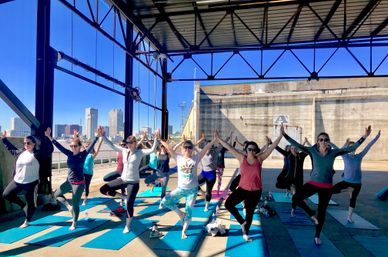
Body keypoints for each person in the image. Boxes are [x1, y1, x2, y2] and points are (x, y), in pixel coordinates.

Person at [283, 126, 372, 245]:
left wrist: (365, 136)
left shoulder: (334, 152)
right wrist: (284, 135)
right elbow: (298, 145)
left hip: (326, 187)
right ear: (317, 142)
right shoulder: (312, 151)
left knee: (322, 211)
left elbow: (352, 147)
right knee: (296, 197)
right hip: (313, 183)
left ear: (328, 141)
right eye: (321, 139)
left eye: (325, 139)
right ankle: (311, 213)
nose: (323, 141)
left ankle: (317, 236)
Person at [216, 126, 284, 241]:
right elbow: (229, 147)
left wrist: (281, 135)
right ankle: (242, 222)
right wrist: (219, 139)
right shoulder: (241, 158)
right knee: (228, 204)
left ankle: (246, 232)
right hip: (242, 189)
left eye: (253, 149)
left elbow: (271, 148)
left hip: (256, 192)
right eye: (249, 149)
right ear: (246, 149)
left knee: (250, 213)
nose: (251, 151)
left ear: (256, 150)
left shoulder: (260, 159)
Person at [100, 129, 160, 234]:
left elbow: (152, 150)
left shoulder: (140, 152)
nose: (128, 145)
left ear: (135, 143)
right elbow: (111, 145)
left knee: (129, 205)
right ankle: (123, 197)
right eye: (127, 143)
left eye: (130, 143)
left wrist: (156, 139)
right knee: (103, 189)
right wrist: (103, 136)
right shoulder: (124, 150)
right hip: (123, 179)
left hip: (133, 182)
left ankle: (127, 226)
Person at [160, 135, 216, 239]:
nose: (187, 149)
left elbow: (205, 148)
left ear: (192, 149)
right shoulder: (178, 158)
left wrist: (213, 140)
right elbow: (169, 148)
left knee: (189, 210)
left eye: (190, 147)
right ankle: (180, 214)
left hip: (192, 191)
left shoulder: (196, 158)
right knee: (164, 201)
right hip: (180, 189)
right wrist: (160, 140)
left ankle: (184, 231)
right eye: (185, 147)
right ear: (182, 148)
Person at [45, 127, 100, 230]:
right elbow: (59, 146)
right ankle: (68, 207)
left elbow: (91, 145)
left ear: (80, 147)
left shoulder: (83, 154)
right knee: (56, 194)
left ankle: (74, 222)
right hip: (68, 182)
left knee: (76, 204)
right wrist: (49, 137)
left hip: (78, 184)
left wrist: (97, 137)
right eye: (71, 146)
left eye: (75, 146)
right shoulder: (69, 154)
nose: (73, 148)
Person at [1, 129, 51, 228]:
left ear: (34, 144)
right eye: (24, 143)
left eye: (28, 143)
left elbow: (49, 149)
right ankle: (23, 205)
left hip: (31, 183)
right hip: (17, 181)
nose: (26, 145)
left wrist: (47, 137)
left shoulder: (38, 154)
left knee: (31, 204)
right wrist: (4, 139)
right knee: (6, 194)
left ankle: (27, 220)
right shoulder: (21, 153)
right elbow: (12, 149)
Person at [332, 130, 380, 223]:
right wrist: (330, 142)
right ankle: (348, 190)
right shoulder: (345, 156)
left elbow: (368, 146)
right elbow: (337, 148)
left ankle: (349, 217)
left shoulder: (359, 156)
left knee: (353, 200)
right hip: (346, 182)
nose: (352, 149)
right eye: (350, 147)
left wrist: (376, 137)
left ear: (356, 148)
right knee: (331, 190)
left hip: (357, 183)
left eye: (353, 147)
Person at [144, 143, 174, 208]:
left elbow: (173, 148)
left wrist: (181, 142)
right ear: (160, 147)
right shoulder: (158, 153)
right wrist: (155, 140)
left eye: (164, 146)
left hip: (165, 175)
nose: (163, 148)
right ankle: (158, 181)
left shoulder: (168, 155)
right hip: (158, 173)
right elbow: (151, 149)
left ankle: (161, 203)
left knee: (163, 190)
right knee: (146, 180)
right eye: (162, 146)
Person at [103, 140, 126, 206]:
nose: (123, 146)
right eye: (121, 145)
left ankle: (123, 200)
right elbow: (112, 145)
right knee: (105, 178)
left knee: (122, 187)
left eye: (124, 144)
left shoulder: (127, 152)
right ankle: (117, 188)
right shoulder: (117, 152)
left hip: (123, 172)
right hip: (117, 171)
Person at [82, 137, 103, 205]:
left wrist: (100, 142)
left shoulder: (92, 155)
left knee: (86, 186)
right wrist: (76, 136)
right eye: (86, 146)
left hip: (88, 173)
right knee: (80, 185)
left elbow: (97, 150)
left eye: (88, 146)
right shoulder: (84, 154)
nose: (87, 147)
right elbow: (81, 145)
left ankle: (85, 200)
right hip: (82, 173)